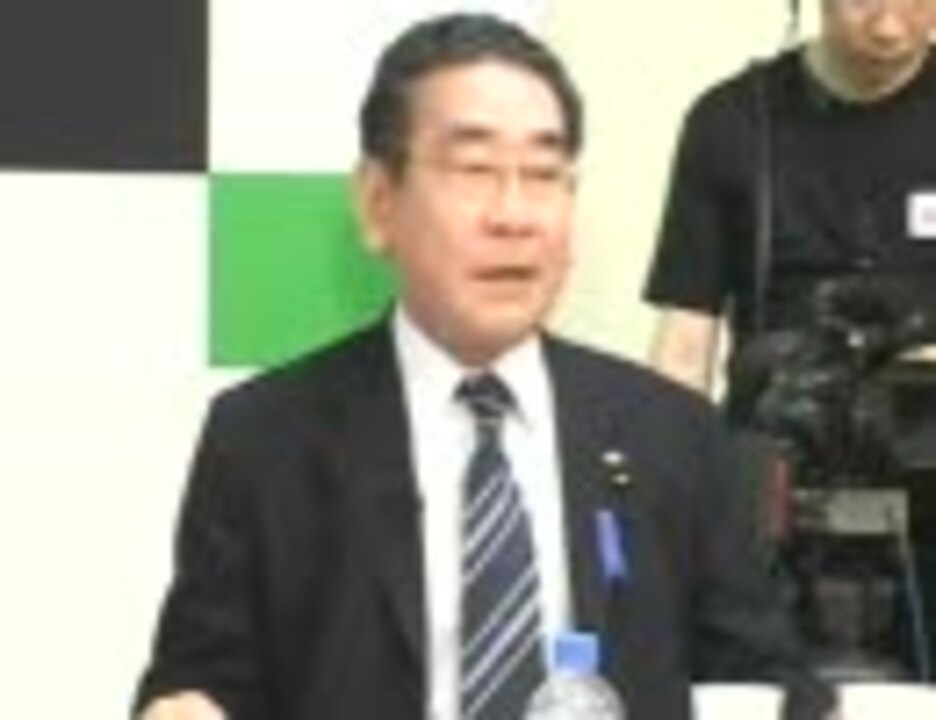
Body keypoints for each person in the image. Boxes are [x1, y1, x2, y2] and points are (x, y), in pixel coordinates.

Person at [133, 12, 834, 720]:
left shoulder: (672, 434)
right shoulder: (267, 439)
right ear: (378, 203)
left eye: (545, 175)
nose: (514, 215)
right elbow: (198, 684)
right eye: (474, 171)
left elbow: (763, 677)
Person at [644, 0, 936, 403]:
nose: (889, 28)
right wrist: (668, 437)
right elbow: (685, 338)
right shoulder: (733, 119)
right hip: (774, 422)